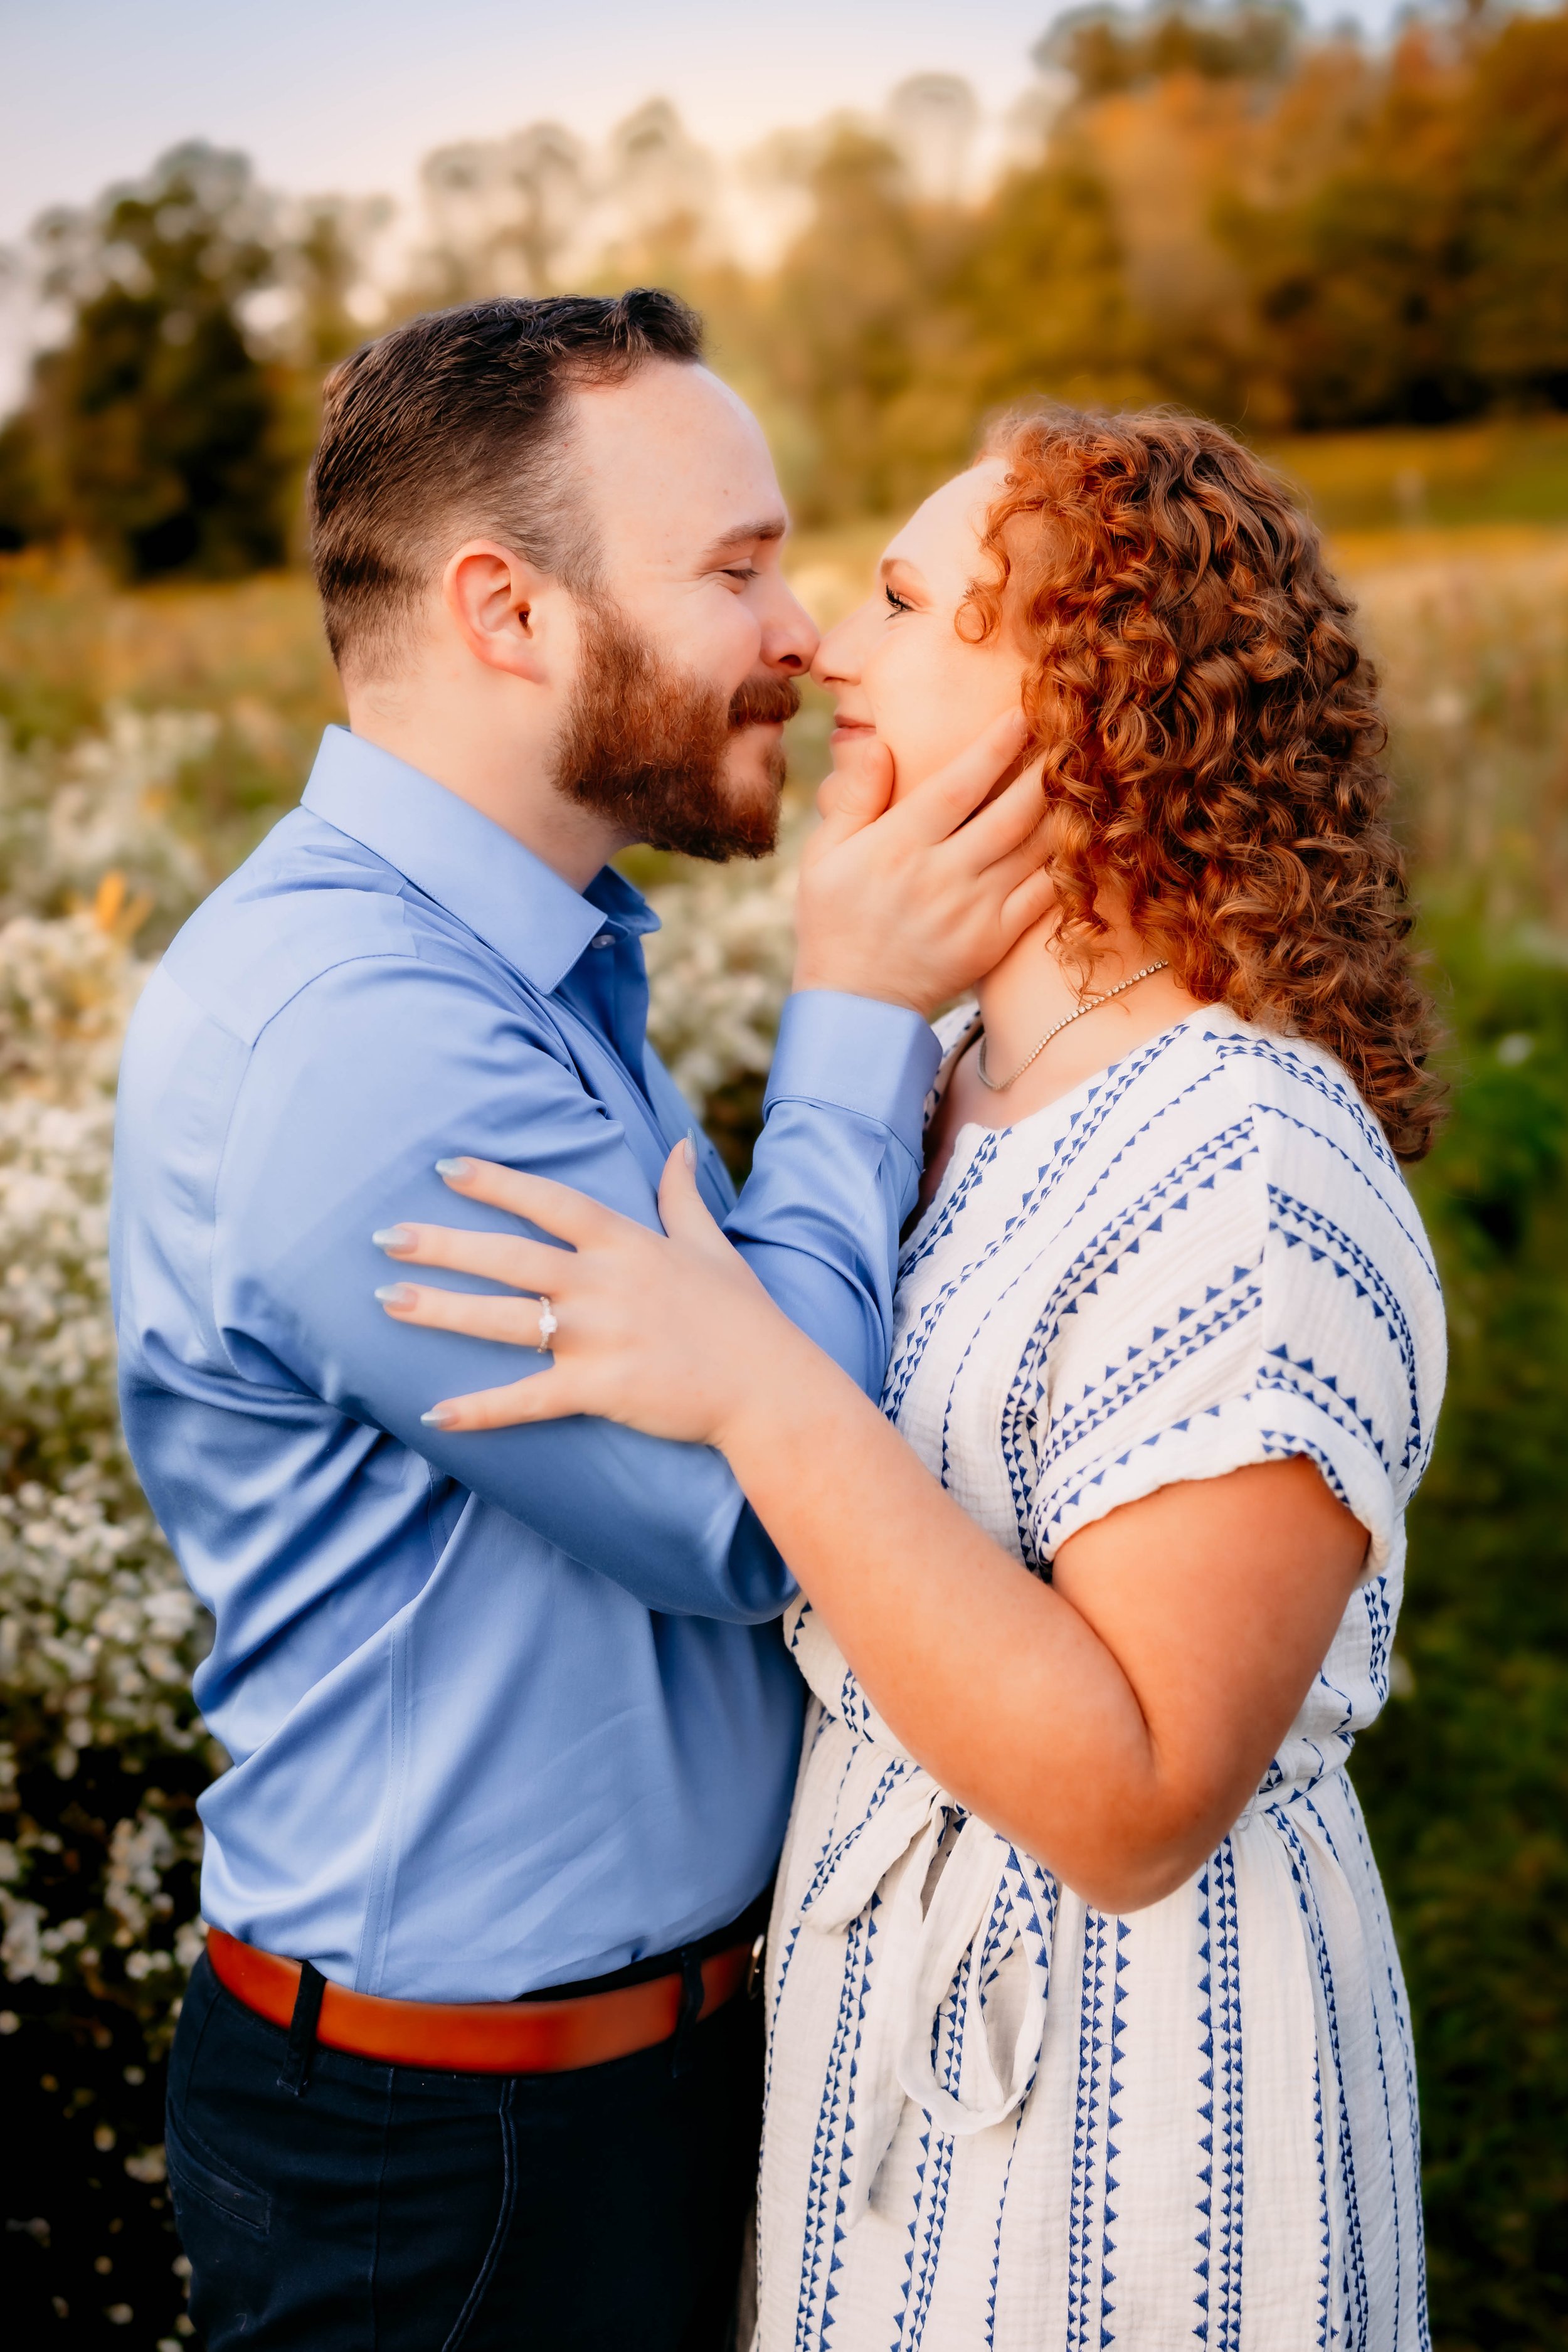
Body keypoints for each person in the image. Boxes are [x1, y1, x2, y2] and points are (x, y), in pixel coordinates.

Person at [374, 408, 1448, 2349]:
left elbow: (1133, 1799)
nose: (823, 650)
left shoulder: (1249, 1150)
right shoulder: (953, 1078)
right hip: (886, 2065)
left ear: (1090, 693)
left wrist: (756, 1393)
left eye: (895, 601)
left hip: (1136, 2104)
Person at [109, 292, 1056, 2351]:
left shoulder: (521, 964)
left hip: (626, 2077)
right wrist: (857, 1014)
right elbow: (742, 1506)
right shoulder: (358, 1042)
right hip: (454, 2160)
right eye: (734, 567)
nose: (800, 634)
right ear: (505, 610)